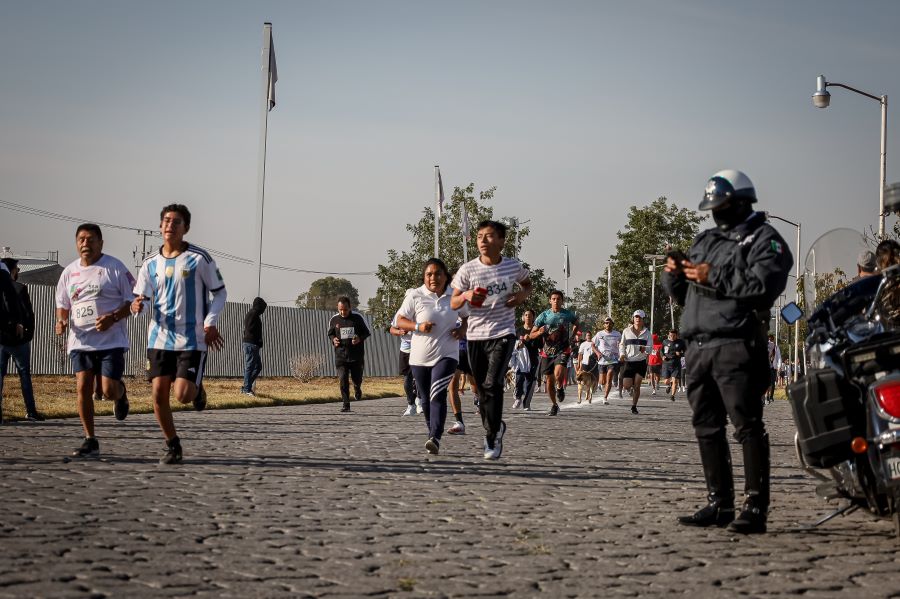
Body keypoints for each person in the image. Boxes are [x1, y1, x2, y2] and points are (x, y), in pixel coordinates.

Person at [663, 169, 792, 534]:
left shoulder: (766, 239)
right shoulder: (705, 240)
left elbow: (764, 287)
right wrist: (674, 273)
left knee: (747, 425)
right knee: (706, 425)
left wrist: (712, 276)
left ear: (741, 202)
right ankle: (719, 502)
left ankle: (755, 507)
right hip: (698, 343)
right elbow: (682, 295)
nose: (715, 213)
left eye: (721, 206)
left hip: (736, 340)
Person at [132, 204, 227, 464]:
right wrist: (138, 306)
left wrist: (210, 322)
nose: (170, 226)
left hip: (192, 338)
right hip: (160, 337)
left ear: (186, 228)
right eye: (166, 221)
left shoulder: (200, 259)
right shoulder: (150, 263)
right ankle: (172, 444)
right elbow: (143, 298)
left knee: (182, 395)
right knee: (158, 394)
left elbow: (220, 292)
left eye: (176, 222)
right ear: (160, 226)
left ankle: (197, 389)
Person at [451, 219, 531, 460]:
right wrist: (465, 294)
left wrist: (520, 297)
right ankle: (495, 425)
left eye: (488, 236)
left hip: (503, 333)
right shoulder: (467, 270)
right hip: (475, 336)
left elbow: (527, 284)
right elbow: (453, 302)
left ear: (501, 241)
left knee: (493, 383)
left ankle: (491, 436)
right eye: (479, 237)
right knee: (482, 389)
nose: (482, 241)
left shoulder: (512, 267)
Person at [57, 224, 135, 457]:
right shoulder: (69, 272)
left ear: (101, 243)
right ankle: (90, 438)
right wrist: (61, 321)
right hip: (80, 340)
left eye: (91, 240)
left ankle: (120, 394)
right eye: (81, 239)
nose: (85, 244)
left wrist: (112, 318)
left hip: (110, 341)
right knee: (83, 387)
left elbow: (133, 302)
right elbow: (63, 305)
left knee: (108, 390)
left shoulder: (114, 268)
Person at [396, 258, 468, 455]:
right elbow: (400, 321)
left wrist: (462, 330)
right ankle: (432, 432)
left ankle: (435, 436)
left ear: (445, 276)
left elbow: (468, 316)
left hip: (447, 355)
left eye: (437, 274)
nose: (433, 278)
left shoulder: (454, 296)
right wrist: (418, 326)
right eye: (429, 274)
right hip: (419, 358)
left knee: (437, 393)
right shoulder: (415, 296)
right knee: (426, 400)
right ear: (424, 277)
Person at [0, 258, 42, 422]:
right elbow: (28, 314)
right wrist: (27, 334)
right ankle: (30, 411)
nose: (18, 271)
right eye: (17, 269)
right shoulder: (19, 288)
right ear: (11, 270)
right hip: (18, 340)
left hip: (2, 339)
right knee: (24, 374)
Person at [529, 290, 578, 416]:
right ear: (550, 301)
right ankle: (554, 405)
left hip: (563, 349)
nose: (556, 301)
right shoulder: (543, 316)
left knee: (558, 374)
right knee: (549, 381)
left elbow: (576, 323)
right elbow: (531, 334)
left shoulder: (567, 314)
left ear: (562, 301)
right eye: (554, 299)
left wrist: (572, 336)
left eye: (558, 299)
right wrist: (539, 332)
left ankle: (560, 388)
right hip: (547, 352)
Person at [327, 296, 371, 412]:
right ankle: (346, 404)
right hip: (341, 356)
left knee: (357, 379)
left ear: (350, 307)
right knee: (343, 379)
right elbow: (330, 334)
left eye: (345, 309)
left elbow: (366, 333)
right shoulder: (334, 319)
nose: (343, 312)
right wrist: (333, 340)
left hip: (356, 356)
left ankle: (357, 388)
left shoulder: (358, 317)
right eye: (340, 309)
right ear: (338, 308)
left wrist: (359, 339)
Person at [619, 310, 651, 414]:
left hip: (641, 362)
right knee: (627, 386)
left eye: (640, 317)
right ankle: (630, 388)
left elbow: (650, 348)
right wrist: (622, 354)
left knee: (637, 385)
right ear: (633, 318)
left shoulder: (647, 333)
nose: (637, 319)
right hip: (629, 361)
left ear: (643, 320)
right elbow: (622, 344)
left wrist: (645, 349)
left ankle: (634, 406)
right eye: (636, 317)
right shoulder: (626, 331)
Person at [389, 312, 418, 417]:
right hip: (405, 349)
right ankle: (411, 404)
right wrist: (399, 332)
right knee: (407, 378)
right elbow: (392, 329)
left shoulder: (422, 310)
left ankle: (419, 399)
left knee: (420, 377)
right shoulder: (400, 314)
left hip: (420, 349)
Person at [513, 309, 541, 410]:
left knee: (530, 381)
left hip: (533, 358)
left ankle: (527, 403)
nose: (528, 317)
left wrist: (531, 339)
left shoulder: (537, 331)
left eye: (530, 315)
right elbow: (513, 344)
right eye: (526, 315)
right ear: (523, 317)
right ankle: (518, 398)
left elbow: (540, 345)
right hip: (521, 359)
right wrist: (519, 344)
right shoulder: (518, 331)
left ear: (533, 317)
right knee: (519, 378)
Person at [241, 297, 267, 396]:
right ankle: (247, 389)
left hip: (252, 344)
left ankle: (246, 386)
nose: (263, 311)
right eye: (263, 308)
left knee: (258, 367)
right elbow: (250, 329)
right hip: (251, 344)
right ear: (259, 306)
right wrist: (258, 340)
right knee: (250, 367)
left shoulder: (252, 314)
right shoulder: (253, 314)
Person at [592, 316, 621, 405]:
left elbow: (622, 344)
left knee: (609, 376)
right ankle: (600, 384)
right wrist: (597, 353)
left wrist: (620, 347)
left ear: (612, 324)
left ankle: (605, 397)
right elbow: (593, 345)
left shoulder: (618, 334)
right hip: (602, 360)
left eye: (609, 323)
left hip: (613, 359)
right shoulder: (599, 334)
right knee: (602, 381)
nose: (608, 324)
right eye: (606, 323)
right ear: (604, 325)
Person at [661, 328, 687, 398]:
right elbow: (661, 351)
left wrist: (680, 354)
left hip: (676, 364)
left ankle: (672, 396)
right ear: (668, 335)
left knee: (675, 381)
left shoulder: (681, 342)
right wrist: (663, 356)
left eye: (673, 336)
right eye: (670, 335)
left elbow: (686, 352)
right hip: (666, 364)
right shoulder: (665, 342)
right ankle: (669, 385)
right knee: (666, 381)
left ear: (676, 335)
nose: (672, 337)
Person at [576, 328, 599, 403]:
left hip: (593, 363)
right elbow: (580, 354)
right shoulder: (583, 344)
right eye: (587, 335)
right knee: (582, 379)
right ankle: (582, 394)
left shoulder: (594, 343)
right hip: (585, 363)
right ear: (585, 337)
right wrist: (579, 364)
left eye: (590, 335)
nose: (589, 336)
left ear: (591, 336)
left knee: (593, 379)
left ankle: (590, 392)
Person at [764, 334, 781, 405]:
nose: (769, 341)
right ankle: (767, 396)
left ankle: (770, 396)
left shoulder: (776, 348)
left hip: (773, 367)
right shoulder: (766, 347)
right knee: (768, 382)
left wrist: (779, 366)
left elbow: (779, 357)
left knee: (772, 383)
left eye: (771, 340)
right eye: (769, 340)